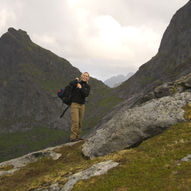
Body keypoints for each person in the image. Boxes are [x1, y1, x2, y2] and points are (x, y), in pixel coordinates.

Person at [69, 72, 90, 142]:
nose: (85, 77)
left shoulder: (87, 86)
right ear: (81, 76)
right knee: (75, 121)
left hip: (82, 105)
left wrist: (80, 88)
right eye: (84, 75)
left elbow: (86, 94)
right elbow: (70, 85)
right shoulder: (76, 83)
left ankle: (78, 137)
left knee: (80, 122)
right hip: (74, 104)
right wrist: (75, 80)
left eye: (86, 76)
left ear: (88, 78)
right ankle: (73, 138)